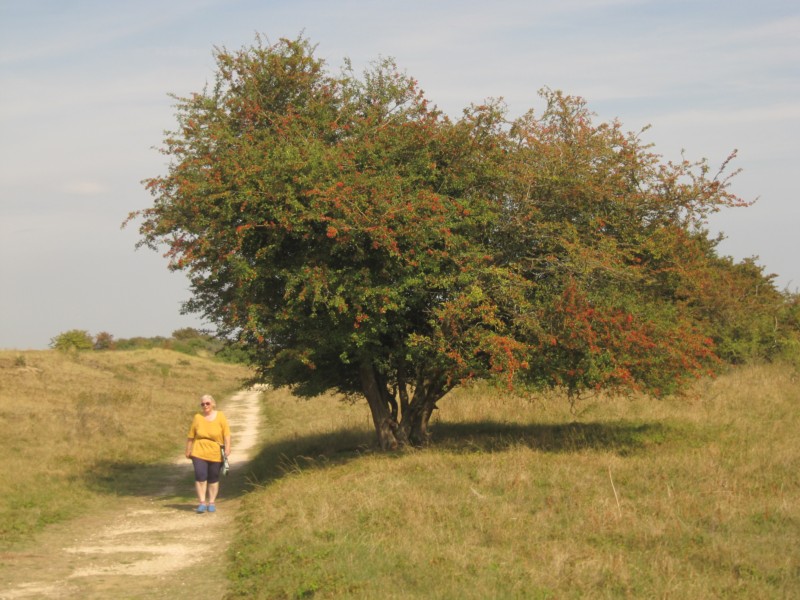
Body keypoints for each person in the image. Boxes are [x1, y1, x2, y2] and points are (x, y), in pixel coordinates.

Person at [185, 394, 231, 513]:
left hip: (216, 451)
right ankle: (201, 502)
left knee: (213, 478)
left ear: (213, 404)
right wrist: (188, 449)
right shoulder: (197, 417)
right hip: (199, 450)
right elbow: (191, 436)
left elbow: (226, 434)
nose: (205, 406)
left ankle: (211, 502)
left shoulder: (220, 416)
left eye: (207, 403)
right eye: (203, 404)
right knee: (200, 477)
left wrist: (228, 447)